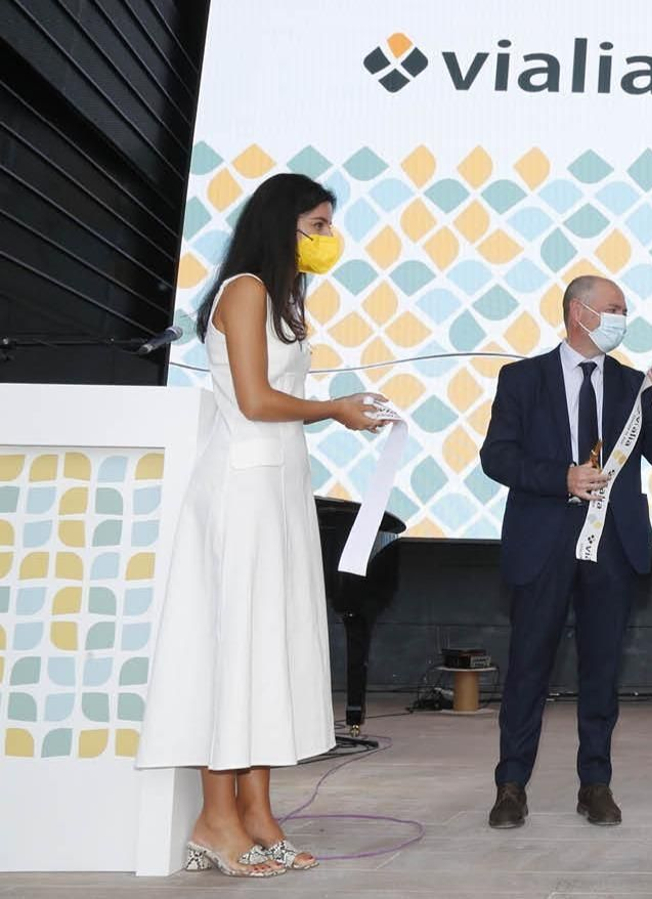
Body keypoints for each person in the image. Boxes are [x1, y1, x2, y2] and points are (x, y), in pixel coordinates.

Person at [137, 173, 390, 876]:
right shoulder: (244, 289)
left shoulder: (283, 298)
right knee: (234, 646)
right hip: (242, 486)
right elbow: (253, 398)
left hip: (278, 486)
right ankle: (215, 817)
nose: (325, 240)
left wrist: (342, 410)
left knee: (267, 647)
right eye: (316, 225)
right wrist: (331, 409)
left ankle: (256, 810)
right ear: (282, 225)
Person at [480, 275, 652, 829]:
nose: (623, 317)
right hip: (542, 542)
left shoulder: (633, 385)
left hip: (612, 548)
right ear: (580, 312)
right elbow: (496, 457)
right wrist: (561, 478)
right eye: (615, 308)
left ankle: (595, 783)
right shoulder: (522, 379)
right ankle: (511, 785)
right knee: (527, 669)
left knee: (601, 670)